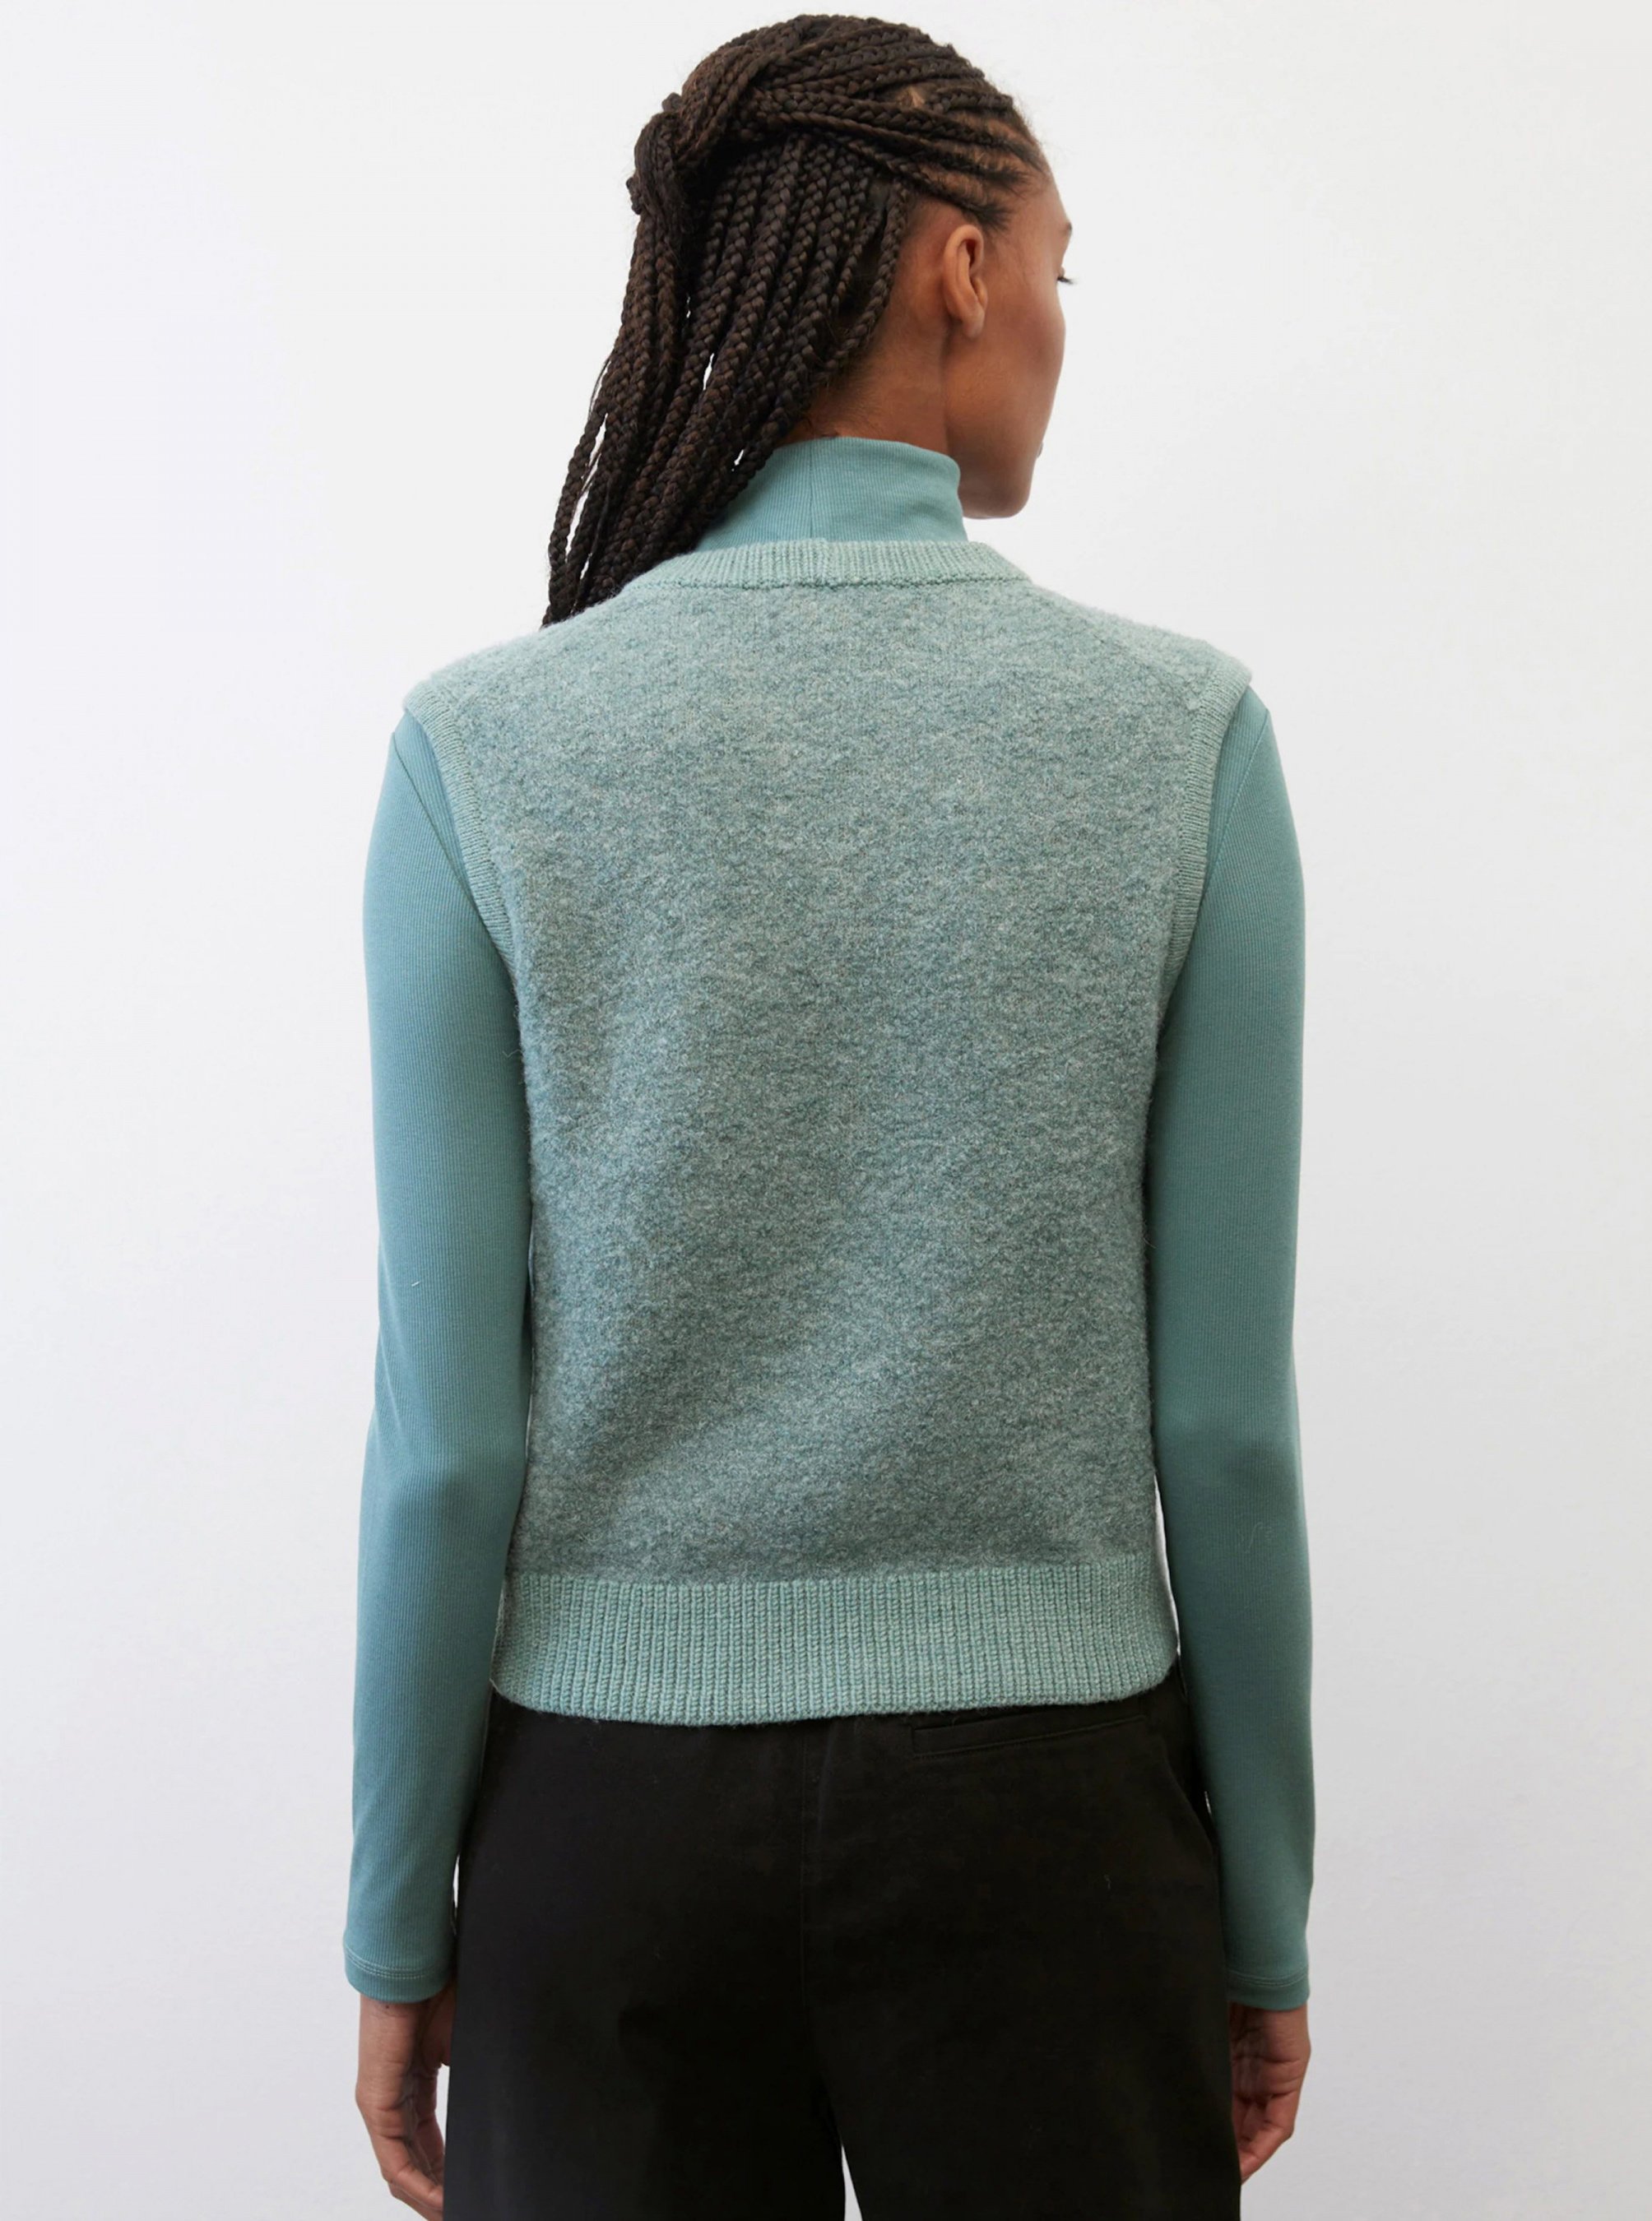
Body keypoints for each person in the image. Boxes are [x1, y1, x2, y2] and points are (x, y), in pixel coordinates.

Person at [345, 15, 1315, 2217]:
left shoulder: (487, 748)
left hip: (600, 1826)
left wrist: (399, 1922)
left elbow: (448, 1444)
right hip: (1053, 1818)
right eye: (1056, 267)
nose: (1058, 323)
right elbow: (1226, 1430)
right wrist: (1259, 1912)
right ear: (959, 268)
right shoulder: (1179, 735)